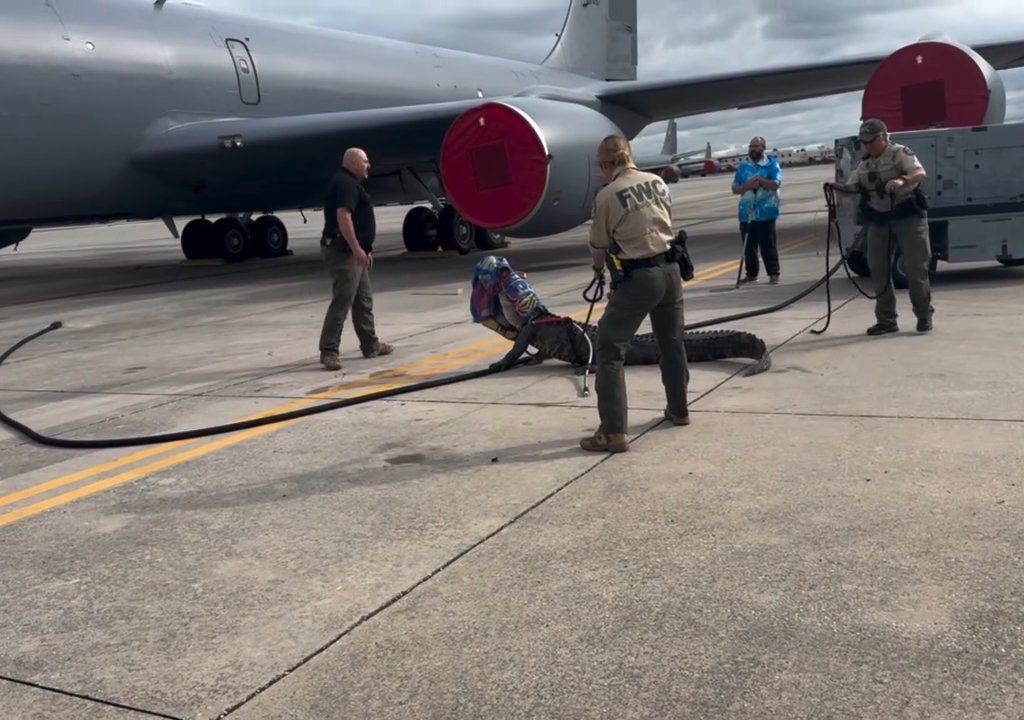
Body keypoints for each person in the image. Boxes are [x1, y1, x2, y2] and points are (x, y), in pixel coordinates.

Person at [581, 135, 690, 454]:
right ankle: (679, 409)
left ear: (606, 164)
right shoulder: (657, 181)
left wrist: (598, 269)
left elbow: (600, 246)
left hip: (639, 276)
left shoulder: (608, 194)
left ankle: (613, 431)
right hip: (671, 270)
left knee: (610, 348)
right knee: (671, 341)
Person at [828, 118, 933, 334]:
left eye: (871, 140)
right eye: (864, 142)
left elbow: (920, 173)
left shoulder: (899, 153)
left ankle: (923, 314)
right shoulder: (865, 164)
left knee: (916, 269)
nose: (867, 145)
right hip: (878, 219)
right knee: (878, 270)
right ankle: (887, 320)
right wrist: (836, 188)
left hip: (907, 215)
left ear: (883, 137)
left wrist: (902, 180)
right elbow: (852, 187)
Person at [318, 147, 393, 371]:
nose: (368, 165)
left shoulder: (351, 182)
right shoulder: (345, 183)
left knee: (363, 301)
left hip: (355, 252)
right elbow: (344, 215)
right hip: (344, 253)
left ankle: (371, 345)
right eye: (365, 161)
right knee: (342, 301)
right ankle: (329, 351)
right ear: (352, 163)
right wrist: (357, 249)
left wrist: (364, 249)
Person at [731, 136, 782, 284]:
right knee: (749, 246)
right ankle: (751, 273)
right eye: (751, 147)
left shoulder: (771, 165)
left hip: (765, 211)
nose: (752, 149)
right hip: (747, 212)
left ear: (763, 148)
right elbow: (735, 188)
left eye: (756, 147)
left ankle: (773, 272)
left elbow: (776, 184)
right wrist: (747, 186)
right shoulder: (743, 167)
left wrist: (761, 181)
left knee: (768, 244)